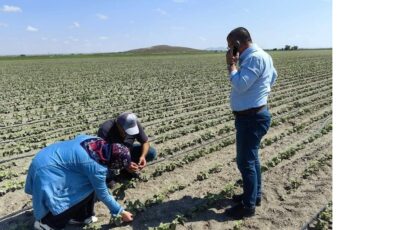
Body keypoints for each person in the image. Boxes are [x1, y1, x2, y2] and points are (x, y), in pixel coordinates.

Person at [25, 134, 134, 230]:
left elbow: (79, 137)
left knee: (86, 185)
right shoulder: (96, 167)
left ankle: (80, 217)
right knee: (70, 196)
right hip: (46, 169)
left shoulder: (97, 141)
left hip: (47, 156)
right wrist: (121, 212)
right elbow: (103, 194)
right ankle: (47, 224)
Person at [224, 27, 277, 219]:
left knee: (245, 162)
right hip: (253, 116)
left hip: (251, 119)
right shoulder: (264, 56)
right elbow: (274, 77)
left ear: (237, 44)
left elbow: (239, 84)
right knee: (252, 159)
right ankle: (254, 196)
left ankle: (248, 207)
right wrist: (260, 92)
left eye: (230, 46)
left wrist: (231, 65)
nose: (229, 50)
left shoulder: (254, 58)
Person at [98, 112, 157, 179]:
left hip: (127, 151)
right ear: (118, 124)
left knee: (151, 153)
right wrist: (125, 163)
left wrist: (143, 156)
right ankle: (113, 176)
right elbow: (102, 154)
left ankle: (126, 170)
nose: (127, 133)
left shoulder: (134, 124)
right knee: (104, 170)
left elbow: (145, 142)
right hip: (111, 156)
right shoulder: (105, 129)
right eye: (125, 130)